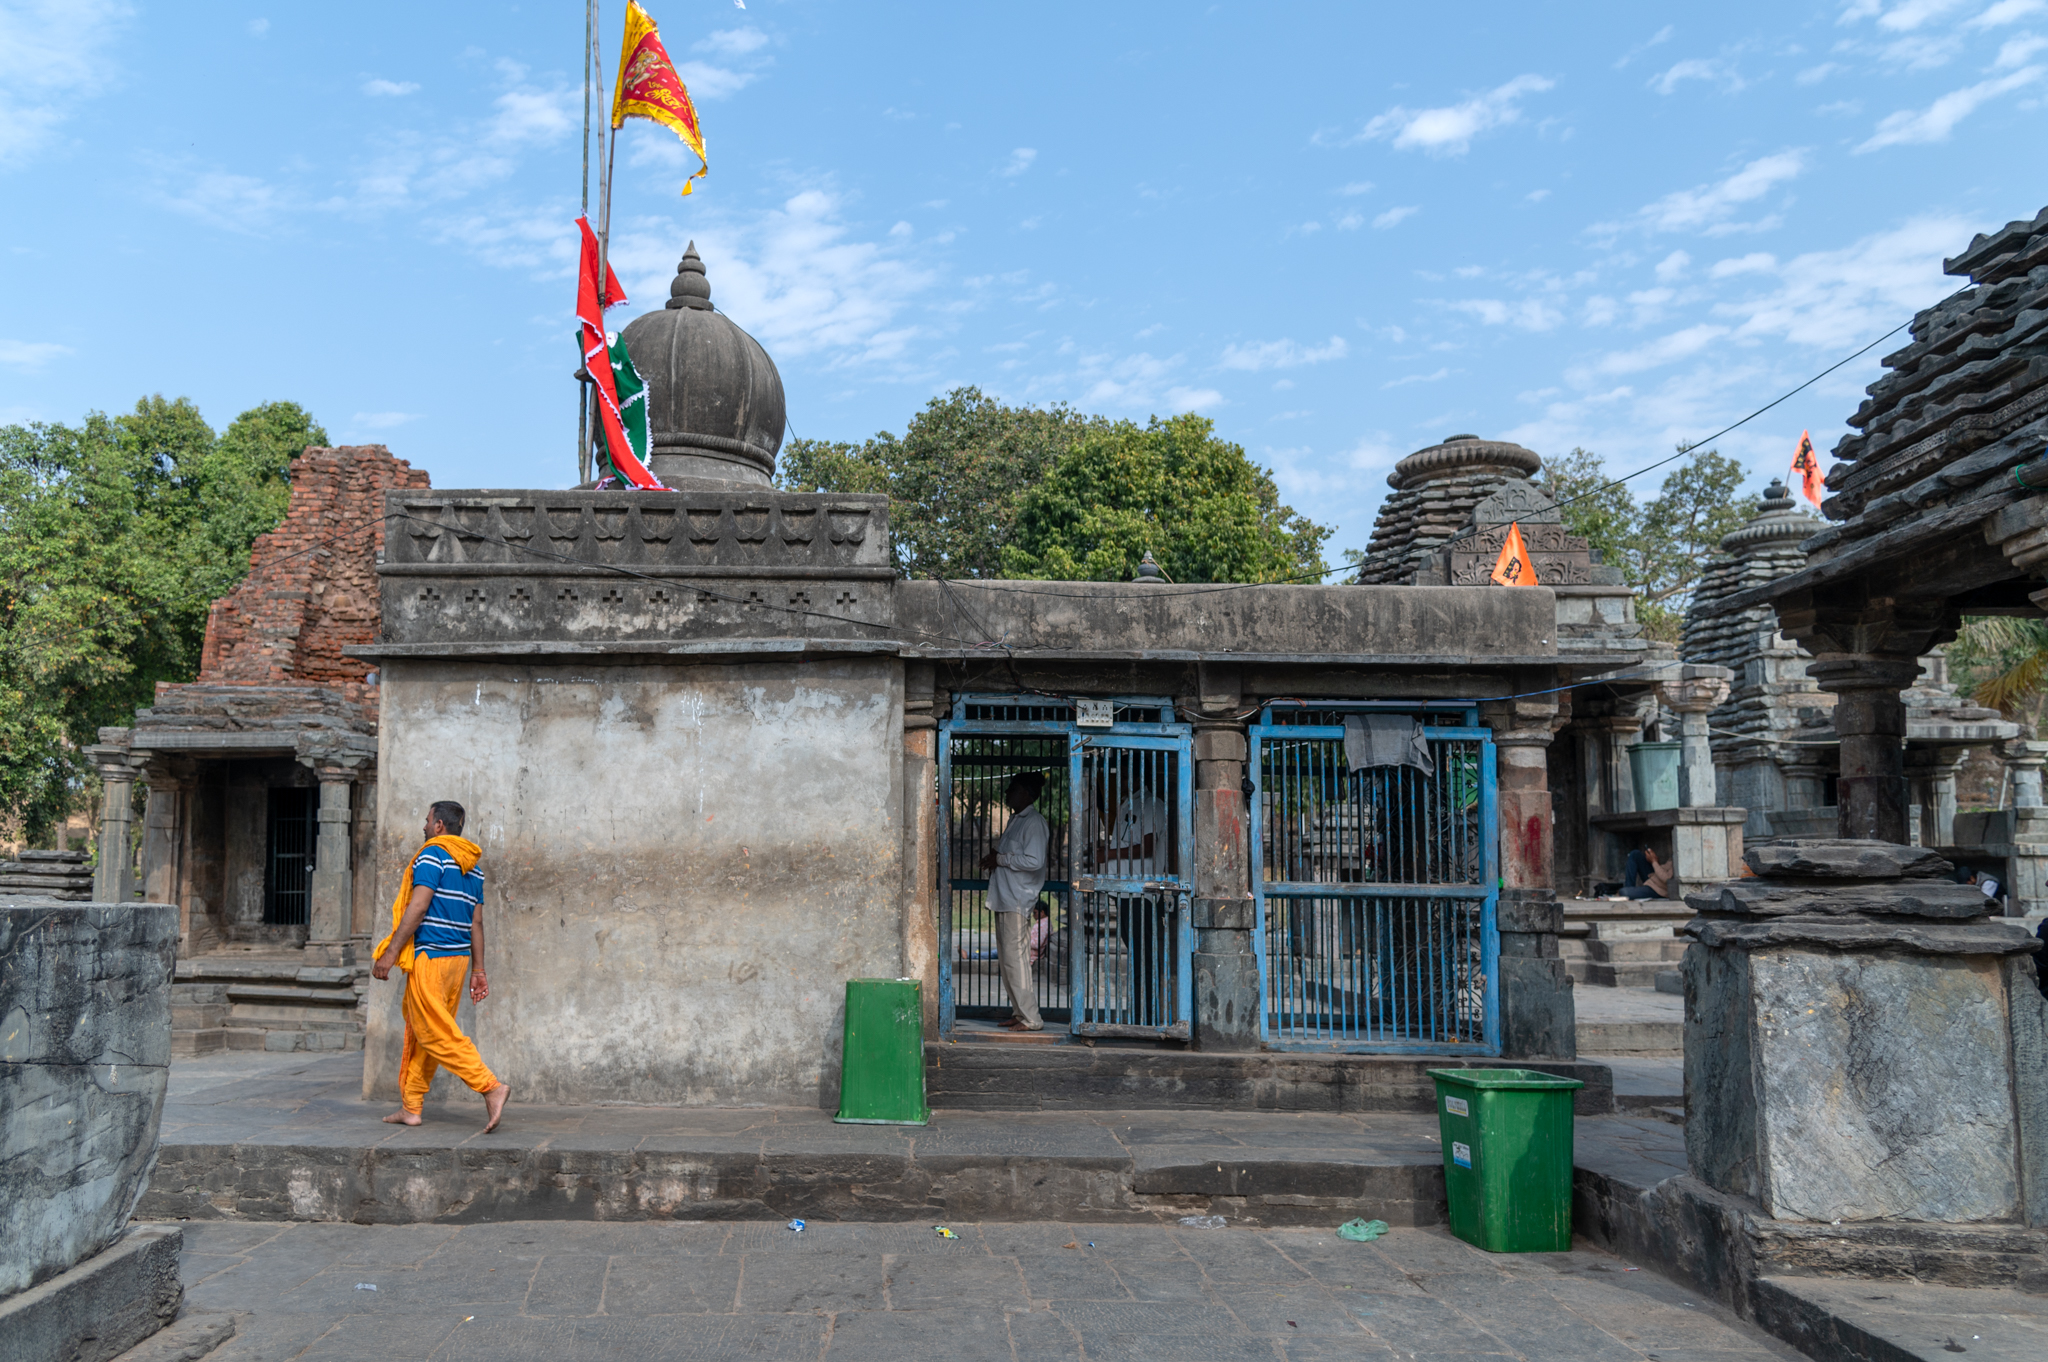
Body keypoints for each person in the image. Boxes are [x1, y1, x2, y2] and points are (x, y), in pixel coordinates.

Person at [372, 800, 510, 1131]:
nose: (423, 826)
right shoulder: (473, 868)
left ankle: (490, 1085)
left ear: (438, 826)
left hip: (432, 956)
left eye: (426, 821)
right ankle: (412, 1107)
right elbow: (476, 924)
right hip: (458, 961)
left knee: (434, 1032)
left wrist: (390, 953)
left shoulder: (432, 855)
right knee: (425, 1032)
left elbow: (417, 908)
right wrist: (479, 970)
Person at [1093, 762, 1174, 1026]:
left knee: (1144, 959)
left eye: (1126, 776)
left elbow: (1148, 848)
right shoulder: (1129, 805)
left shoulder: (1152, 805)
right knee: (1136, 957)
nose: (1122, 781)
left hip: (1144, 893)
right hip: (1126, 891)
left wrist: (1109, 854)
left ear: (1139, 776)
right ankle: (1140, 1016)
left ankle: (1148, 1019)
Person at [979, 771, 1049, 1032]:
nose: (1007, 793)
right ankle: (1020, 1013)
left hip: (1018, 899)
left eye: (1013, 788)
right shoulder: (1016, 820)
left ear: (1027, 794)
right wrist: (996, 857)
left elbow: (1035, 861)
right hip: (1006, 897)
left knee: (1016, 960)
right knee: (1009, 961)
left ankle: (1031, 1018)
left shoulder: (1034, 822)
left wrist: (1001, 859)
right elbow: (1009, 854)